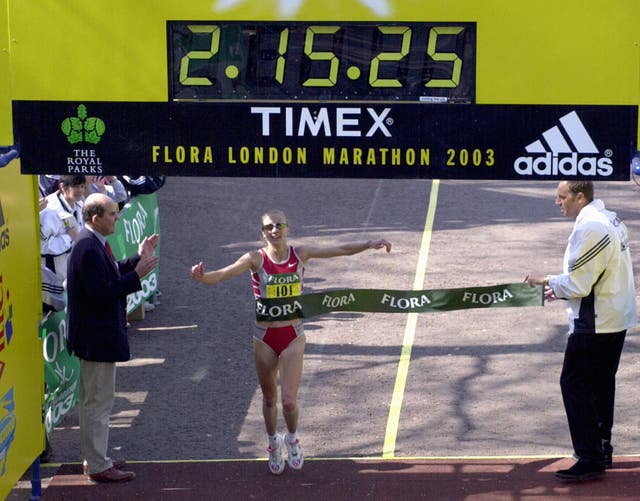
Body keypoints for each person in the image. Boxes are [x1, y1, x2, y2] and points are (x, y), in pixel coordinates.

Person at [191, 209, 391, 475]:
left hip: (292, 335)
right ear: (262, 233)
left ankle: (293, 438)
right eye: (268, 227)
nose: (274, 230)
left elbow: (339, 249)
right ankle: (273, 441)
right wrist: (202, 277)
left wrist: (368, 244)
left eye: (279, 226)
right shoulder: (255, 259)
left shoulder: (301, 254)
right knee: (270, 398)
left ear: (287, 229)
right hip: (264, 337)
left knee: (288, 401)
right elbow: (223, 275)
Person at [526, 181, 637, 481]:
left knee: (573, 384)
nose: (557, 202)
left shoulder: (590, 228)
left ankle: (589, 457)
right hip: (613, 317)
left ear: (580, 196)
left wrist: (546, 280)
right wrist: (559, 289)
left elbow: (580, 284)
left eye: (562, 197)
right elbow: (593, 277)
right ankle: (601, 448)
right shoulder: (609, 219)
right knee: (601, 384)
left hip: (596, 322)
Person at [66, 193, 159, 483]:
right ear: (96, 218)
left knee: (95, 401)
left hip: (95, 337)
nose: (116, 218)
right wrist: (137, 276)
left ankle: (94, 458)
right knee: (98, 403)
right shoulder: (88, 248)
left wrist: (136, 260)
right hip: (97, 339)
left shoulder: (91, 243)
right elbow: (102, 293)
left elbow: (112, 270)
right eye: (112, 214)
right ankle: (97, 465)